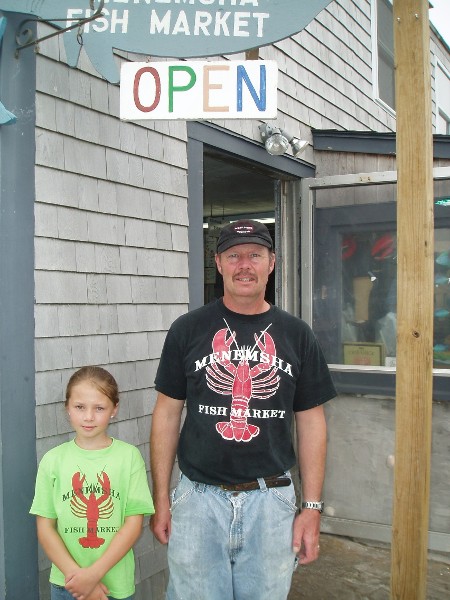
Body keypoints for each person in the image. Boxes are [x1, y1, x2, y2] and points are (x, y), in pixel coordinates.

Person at [150, 219, 336, 600]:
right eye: (234, 256)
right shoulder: (187, 329)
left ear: (272, 262)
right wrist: (162, 499)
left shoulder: (297, 334)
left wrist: (312, 507)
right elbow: (167, 414)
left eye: (255, 255)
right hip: (198, 500)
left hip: (272, 501)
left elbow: (312, 422)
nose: (244, 265)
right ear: (218, 264)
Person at [30, 366, 154, 600]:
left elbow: (133, 524)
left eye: (99, 408)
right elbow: (45, 527)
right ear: (67, 408)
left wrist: (93, 576)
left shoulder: (129, 457)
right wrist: (79, 577)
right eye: (80, 407)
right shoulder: (52, 460)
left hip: (114, 585)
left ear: (114, 409)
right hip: (67, 583)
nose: (88, 417)